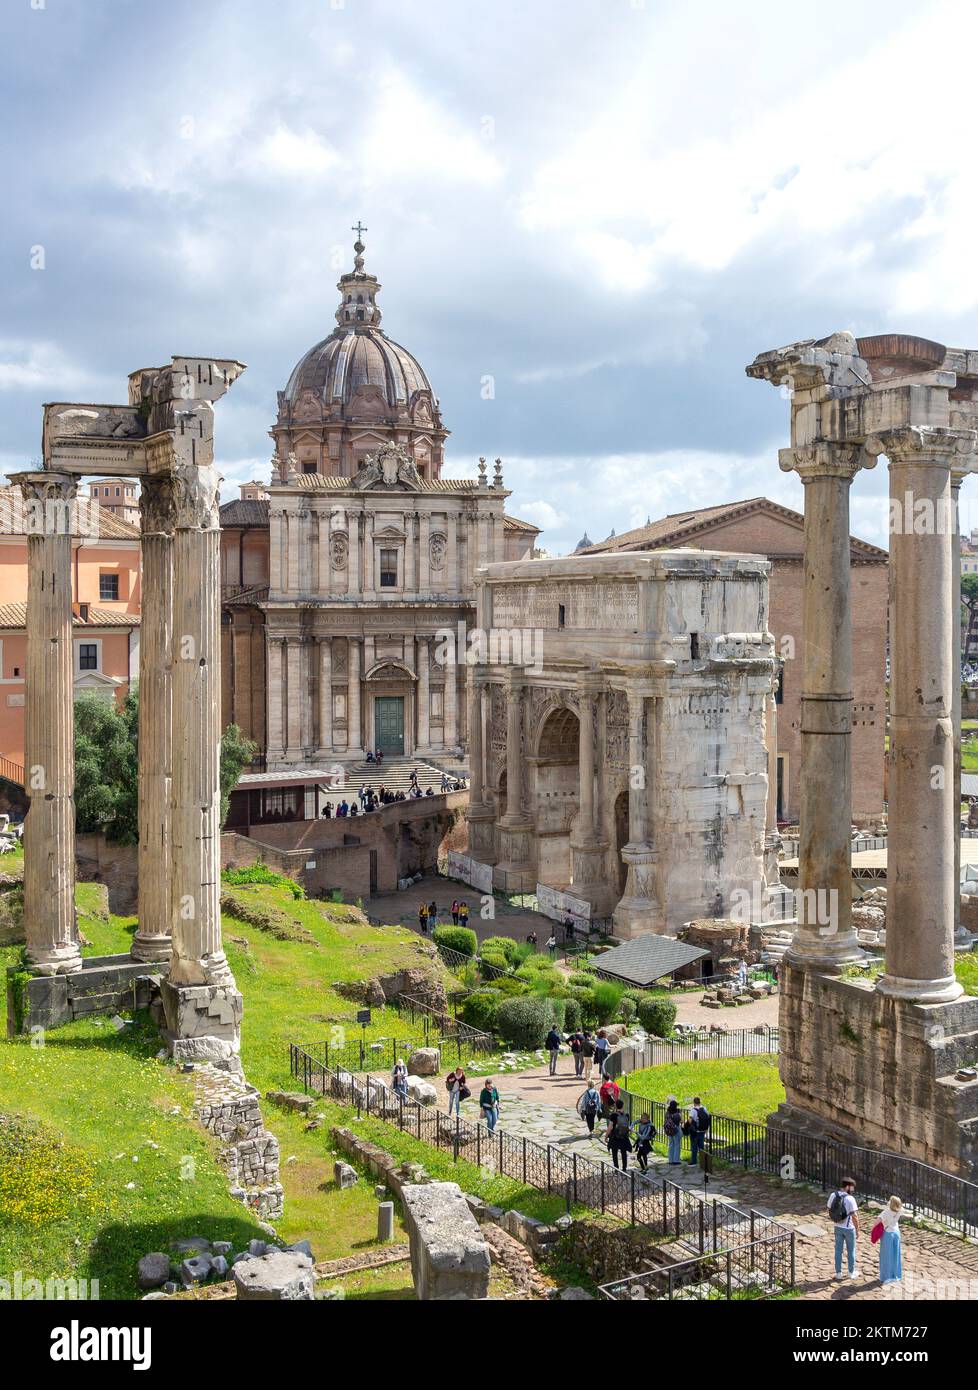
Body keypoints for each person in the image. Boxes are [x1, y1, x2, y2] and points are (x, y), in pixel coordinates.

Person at [828, 1177, 860, 1280]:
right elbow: (854, 1216)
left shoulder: (833, 1195)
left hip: (837, 1226)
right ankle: (851, 1272)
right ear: (847, 1187)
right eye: (851, 1187)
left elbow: (829, 1208)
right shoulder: (850, 1199)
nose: (852, 1190)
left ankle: (838, 1273)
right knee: (851, 1251)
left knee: (838, 1251)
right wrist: (857, 1229)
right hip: (849, 1228)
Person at [878, 1195, 903, 1286]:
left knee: (886, 1256)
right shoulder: (899, 1211)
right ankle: (895, 1275)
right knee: (896, 1255)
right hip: (896, 1233)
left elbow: (877, 1222)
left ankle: (886, 1277)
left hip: (887, 1234)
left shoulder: (885, 1212)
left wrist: (874, 1232)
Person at [605, 1100, 632, 1170]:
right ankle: (624, 1168)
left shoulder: (613, 1115)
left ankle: (616, 1168)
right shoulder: (627, 1115)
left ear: (616, 1106)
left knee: (614, 1153)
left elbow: (610, 1127)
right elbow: (627, 1126)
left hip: (615, 1137)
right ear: (623, 1106)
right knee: (623, 1152)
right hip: (624, 1137)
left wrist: (606, 1136)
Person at [686, 1095, 710, 1167]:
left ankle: (694, 1162)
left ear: (694, 1103)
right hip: (702, 1130)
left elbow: (690, 1121)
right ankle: (703, 1162)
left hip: (695, 1131)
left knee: (694, 1147)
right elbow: (707, 1117)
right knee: (701, 1147)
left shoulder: (693, 1110)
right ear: (700, 1102)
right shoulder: (704, 1108)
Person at [663, 1096, 683, 1165]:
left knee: (671, 1144)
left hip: (669, 1131)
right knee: (677, 1145)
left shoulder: (667, 1113)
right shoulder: (676, 1114)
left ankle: (670, 1160)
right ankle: (676, 1160)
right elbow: (680, 1122)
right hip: (675, 1130)